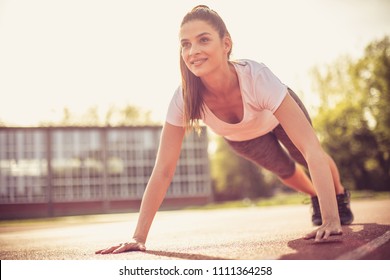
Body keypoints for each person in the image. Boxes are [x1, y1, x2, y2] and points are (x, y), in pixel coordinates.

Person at [96, 5, 353, 254]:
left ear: (226, 44)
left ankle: (337, 194)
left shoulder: (257, 77)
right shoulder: (184, 99)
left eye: (203, 40)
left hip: (275, 118)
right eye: (186, 44)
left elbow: (311, 149)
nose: (192, 50)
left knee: (302, 154)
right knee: (284, 170)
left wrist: (331, 219)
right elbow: (163, 170)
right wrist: (138, 237)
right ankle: (316, 195)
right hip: (241, 136)